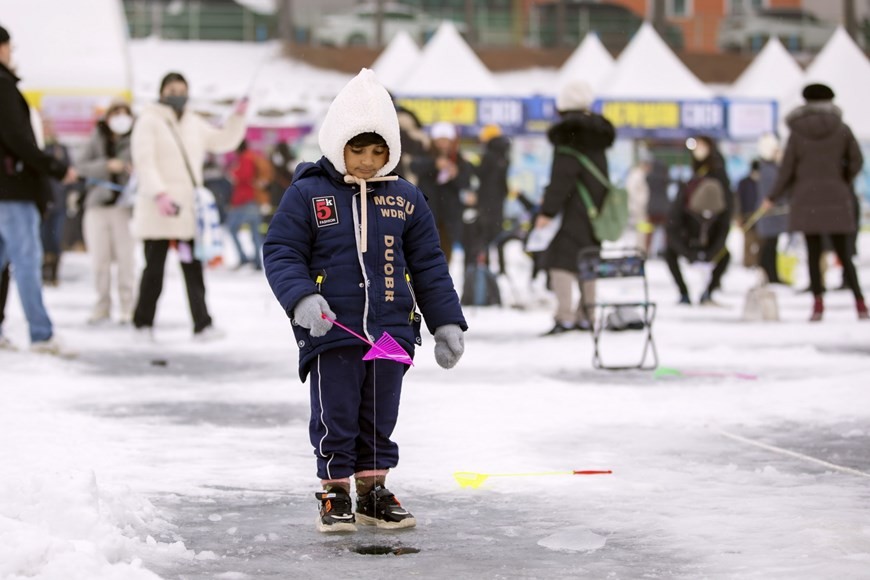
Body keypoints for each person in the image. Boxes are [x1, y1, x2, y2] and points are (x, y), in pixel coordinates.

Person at [263, 69, 467, 533]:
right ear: (338, 142)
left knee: (380, 414)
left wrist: (446, 322)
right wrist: (302, 298)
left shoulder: (406, 198)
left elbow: (429, 265)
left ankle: (373, 491)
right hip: (333, 328)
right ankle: (334, 491)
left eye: (379, 151)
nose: (369, 162)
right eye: (358, 150)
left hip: (391, 327)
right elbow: (281, 251)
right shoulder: (309, 192)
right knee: (336, 414)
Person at [130, 71, 247, 340]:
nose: (178, 96)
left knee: (193, 270)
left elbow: (222, 141)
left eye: (182, 91)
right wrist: (159, 194)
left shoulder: (193, 122)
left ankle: (202, 324)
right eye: (172, 90)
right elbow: (144, 162)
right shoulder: (149, 121)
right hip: (158, 210)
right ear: (161, 92)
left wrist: (238, 117)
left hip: (186, 211)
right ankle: (142, 324)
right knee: (154, 270)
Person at [0, 24, 77, 354]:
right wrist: (55, 168)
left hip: (7, 189)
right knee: (27, 261)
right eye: (9, 47)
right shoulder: (3, 86)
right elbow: (18, 139)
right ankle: (41, 334)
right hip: (13, 189)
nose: (10, 54)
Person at [762, 83, 867, 321]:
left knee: (813, 252)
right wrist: (842, 180)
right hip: (836, 197)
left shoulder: (797, 132)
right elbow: (857, 161)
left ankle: (818, 305)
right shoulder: (842, 129)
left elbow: (786, 169)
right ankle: (860, 303)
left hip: (806, 199)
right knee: (844, 253)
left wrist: (772, 197)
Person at [535, 79, 615, 335]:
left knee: (561, 261)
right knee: (589, 260)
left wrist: (547, 211)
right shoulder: (598, 136)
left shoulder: (569, 134)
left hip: (572, 213)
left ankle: (565, 315)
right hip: (594, 211)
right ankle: (587, 314)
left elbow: (562, 178)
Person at [77, 100, 137, 324]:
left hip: (124, 207)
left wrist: (132, 170)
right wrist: (106, 166)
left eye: (125, 113)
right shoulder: (96, 138)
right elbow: (80, 167)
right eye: (116, 113)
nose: (121, 118)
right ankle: (102, 305)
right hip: (97, 206)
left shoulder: (136, 139)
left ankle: (128, 306)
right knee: (99, 260)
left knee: (126, 259)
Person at [665, 135, 734, 306]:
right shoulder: (693, 176)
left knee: (724, 255)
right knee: (669, 252)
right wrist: (687, 252)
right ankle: (684, 293)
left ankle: (708, 291)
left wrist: (710, 252)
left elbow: (725, 218)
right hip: (689, 229)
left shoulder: (717, 171)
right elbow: (673, 222)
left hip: (711, 230)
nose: (698, 150)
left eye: (702, 146)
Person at [410, 121, 473, 264]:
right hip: (427, 211)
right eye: (440, 140)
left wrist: (455, 174)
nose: (443, 144)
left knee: (445, 252)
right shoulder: (425, 154)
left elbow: (466, 182)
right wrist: (434, 164)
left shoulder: (459, 159)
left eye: (446, 140)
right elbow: (414, 166)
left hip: (449, 216)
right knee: (424, 249)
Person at [466, 123, 510, 266]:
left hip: (486, 201)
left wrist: (470, 163)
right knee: (497, 234)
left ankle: (485, 265)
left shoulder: (489, 155)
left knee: (484, 236)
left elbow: (480, 173)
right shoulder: (504, 154)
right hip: (498, 201)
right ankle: (502, 267)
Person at [40, 117, 74, 286]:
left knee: (55, 238)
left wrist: (72, 193)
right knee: (42, 238)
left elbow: (70, 173)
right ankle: (43, 271)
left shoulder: (61, 149)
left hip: (59, 202)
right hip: (41, 203)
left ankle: (53, 273)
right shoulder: (36, 148)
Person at [226, 140, 271, 270]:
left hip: (245, 201)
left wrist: (234, 173)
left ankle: (244, 258)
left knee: (232, 228)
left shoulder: (245, 159)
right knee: (255, 232)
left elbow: (244, 176)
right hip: (255, 199)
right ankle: (257, 261)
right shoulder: (253, 157)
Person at [754, 133, 786, 284]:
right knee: (769, 246)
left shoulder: (768, 168)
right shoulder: (769, 170)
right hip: (770, 214)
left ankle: (770, 274)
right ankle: (770, 274)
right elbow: (775, 192)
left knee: (770, 245)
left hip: (771, 215)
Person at [736, 159, 762, 268]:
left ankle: (759, 263)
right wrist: (739, 216)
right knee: (748, 242)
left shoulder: (763, 183)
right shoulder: (743, 183)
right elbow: (738, 201)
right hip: (747, 216)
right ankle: (748, 264)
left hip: (762, 217)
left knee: (761, 243)